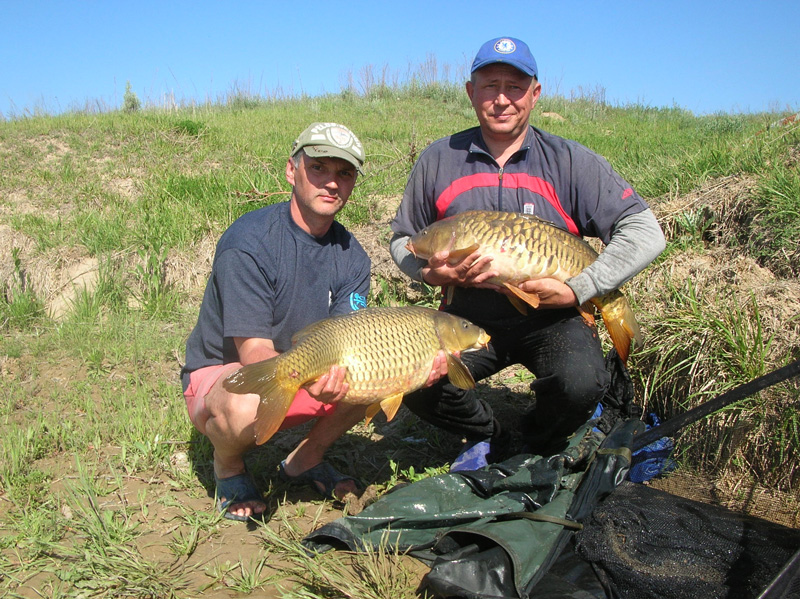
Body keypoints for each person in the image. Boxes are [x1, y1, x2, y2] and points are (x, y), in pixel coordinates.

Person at [389, 37, 666, 471]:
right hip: (468, 317)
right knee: (412, 378)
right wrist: (429, 275)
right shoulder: (438, 159)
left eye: (515, 87)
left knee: (581, 383)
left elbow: (645, 231)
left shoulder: (571, 161)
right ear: (470, 92)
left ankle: (537, 437)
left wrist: (579, 288)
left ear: (535, 94)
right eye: (489, 85)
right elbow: (403, 238)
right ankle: (494, 437)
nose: (502, 99)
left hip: (552, 316)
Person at [181, 122, 374, 521]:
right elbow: (252, 351)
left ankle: (306, 457)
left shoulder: (352, 255)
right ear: (292, 171)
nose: (332, 183)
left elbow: (349, 339)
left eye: (344, 173)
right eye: (318, 168)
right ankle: (229, 466)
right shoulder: (249, 242)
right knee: (243, 402)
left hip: (302, 370)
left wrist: (335, 376)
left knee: (382, 372)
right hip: (228, 374)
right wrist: (311, 377)